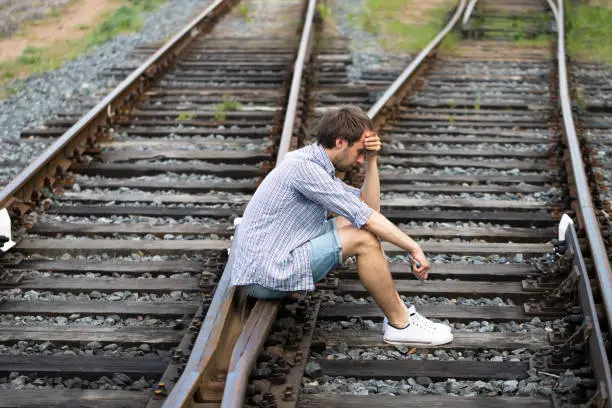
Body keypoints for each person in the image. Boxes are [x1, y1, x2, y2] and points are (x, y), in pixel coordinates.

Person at [230, 106, 452, 346]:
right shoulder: (305, 169)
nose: (359, 160)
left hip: (270, 257)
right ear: (340, 142)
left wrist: (372, 160)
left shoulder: (312, 161)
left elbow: (369, 208)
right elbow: (366, 217)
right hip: (266, 274)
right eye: (359, 152)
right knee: (364, 239)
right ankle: (400, 324)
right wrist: (413, 247)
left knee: (360, 225)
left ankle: (399, 314)